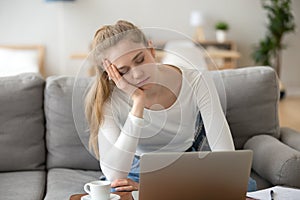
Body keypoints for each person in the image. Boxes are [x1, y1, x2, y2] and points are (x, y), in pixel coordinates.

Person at [85, 20, 237, 194]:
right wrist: (138, 102)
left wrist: (153, 190)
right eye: (123, 71)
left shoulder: (196, 80)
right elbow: (115, 175)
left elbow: (227, 158)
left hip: (186, 166)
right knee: (115, 193)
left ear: (151, 50)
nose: (137, 74)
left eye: (140, 60)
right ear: (111, 73)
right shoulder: (109, 99)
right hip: (136, 170)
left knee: (239, 186)